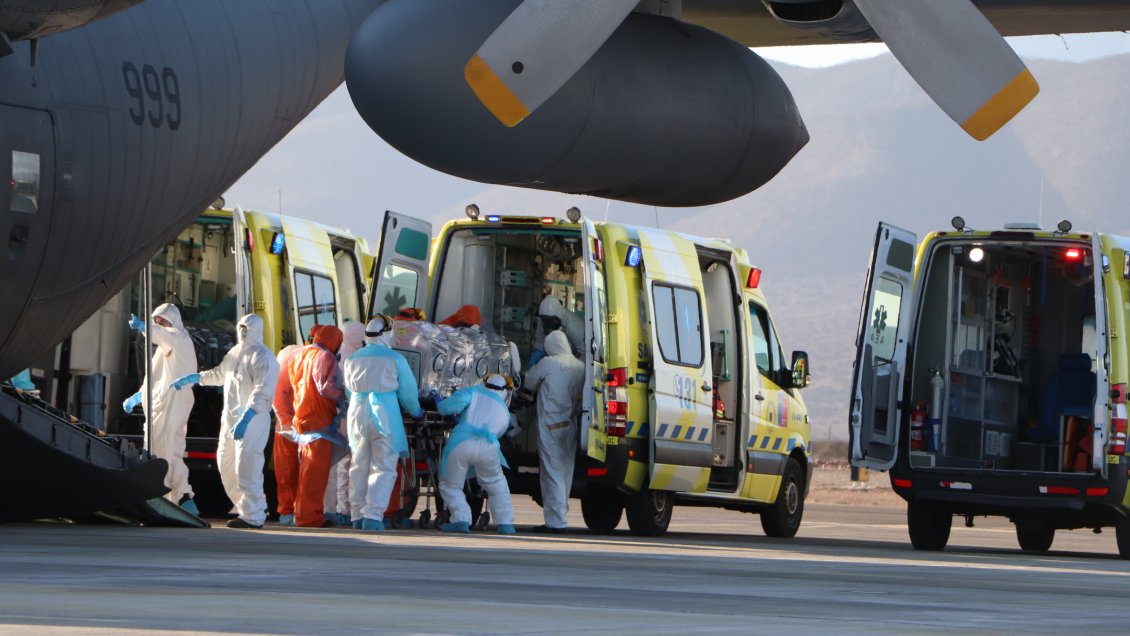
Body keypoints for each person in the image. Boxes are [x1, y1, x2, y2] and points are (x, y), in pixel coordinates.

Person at [171, 314, 278, 529]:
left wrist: (247, 418)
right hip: (230, 418)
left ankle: (254, 515)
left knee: (247, 466)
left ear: (256, 329)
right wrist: (196, 378)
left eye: (247, 328)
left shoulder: (264, 357)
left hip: (253, 420)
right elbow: (219, 374)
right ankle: (246, 508)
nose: (243, 332)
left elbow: (262, 392)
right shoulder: (235, 353)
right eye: (241, 328)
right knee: (226, 464)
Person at [343, 316, 423, 531]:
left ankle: (357, 516)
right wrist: (417, 413)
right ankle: (373, 516)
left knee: (359, 465)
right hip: (384, 414)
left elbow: (348, 391)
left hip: (357, 413)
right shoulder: (395, 359)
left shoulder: (352, 358)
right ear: (387, 333)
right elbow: (408, 393)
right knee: (384, 466)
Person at [122, 304, 198, 514]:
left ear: (171, 322)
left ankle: (165, 496)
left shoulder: (178, 338)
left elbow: (162, 334)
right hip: (163, 404)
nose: (159, 326)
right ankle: (182, 497)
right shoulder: (165, 350)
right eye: (156, 322)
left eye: (161, 321)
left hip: (172, 402)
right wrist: (138, 397)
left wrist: (143, 326)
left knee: (162, 451)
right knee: (169, 450)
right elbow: (154, 380)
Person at [273, 324, 347, 527]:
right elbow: (328, 389)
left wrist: (286, 420)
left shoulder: (297, 356)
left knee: (299, 472)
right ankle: (309, 517)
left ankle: (295, 513)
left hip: (300, 421)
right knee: (314, 475)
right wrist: (347, 395)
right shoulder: (325, 357)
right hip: (318, 421)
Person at [435, 374, 516, 534]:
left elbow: (448, 407)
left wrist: (440, 403)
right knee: (496, 484)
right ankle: (505, 523)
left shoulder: (473, 392)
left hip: (461, 444)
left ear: (485, 383)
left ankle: (461, 519)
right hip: (489, 447)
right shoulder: (504, 410)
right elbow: (498, 432)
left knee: (450, 485)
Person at [522, 330, 584, 533]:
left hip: (551, 425)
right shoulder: (580, 366)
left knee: (552, 473)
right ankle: (560, 515)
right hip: (571, 424)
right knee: (565, 471)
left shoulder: (549, 363)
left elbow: (529, 382)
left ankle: (556, 522)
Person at [322, 320, 366, 526]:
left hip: (340, 417)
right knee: (352, 465)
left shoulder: (336, 358)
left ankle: (341, 509)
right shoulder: (359, 359)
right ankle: (348, 509)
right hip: (354, 416)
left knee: (341, 465)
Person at [272, 343, 303, 526]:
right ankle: (291, 511)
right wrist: (286, 421)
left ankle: (289, 511)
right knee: (292, 472)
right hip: (293, 426)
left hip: (291, 426)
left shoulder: (286, 363)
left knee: (288, 472)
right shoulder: (295, 362)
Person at [528, 296, 583, 366]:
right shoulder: (543, 320)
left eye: (549, 321)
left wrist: (572, 368)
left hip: (575, 360)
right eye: (543, 321)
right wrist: (536, 356)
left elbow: (585, 355)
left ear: (557, 319)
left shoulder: (574, 326)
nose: (545, 326)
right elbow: (540, 342)